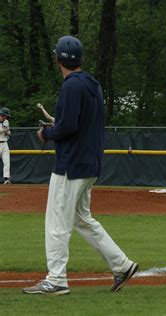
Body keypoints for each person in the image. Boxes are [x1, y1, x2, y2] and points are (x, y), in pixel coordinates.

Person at [23, 35, 138, 296]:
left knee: (56, 222)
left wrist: (47, 134)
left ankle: (56, 279)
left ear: (57, 59)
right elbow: (80, 124)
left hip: (71, 165)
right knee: (82, 219)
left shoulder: (71, 86)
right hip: (89, 163)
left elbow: (68, 126)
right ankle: (122, 265)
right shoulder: (92, 84)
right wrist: (57, 128)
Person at [0, 108, 12, 184]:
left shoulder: (6, 122)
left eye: (6, 116)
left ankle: (6, 179)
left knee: (7, 161)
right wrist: (4, 130)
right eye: (4, 116)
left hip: (4, 143)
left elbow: (9, 132)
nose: (5, 117)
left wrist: (7, 132)